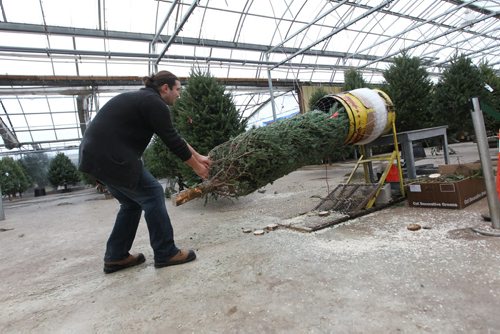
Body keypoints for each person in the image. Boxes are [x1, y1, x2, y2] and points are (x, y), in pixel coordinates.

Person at [79, 70, 211, 274]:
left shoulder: (144, 100)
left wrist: (199, 157)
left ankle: (116, 256)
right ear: (165, 88)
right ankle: (166, 252)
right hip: (112, 156)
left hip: (94, 157)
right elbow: (172, 140)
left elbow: (172, 135)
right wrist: (198, 168)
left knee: (131, 203)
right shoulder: (154, 103)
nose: (179, 95)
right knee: (153, 193)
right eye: (177, 90)